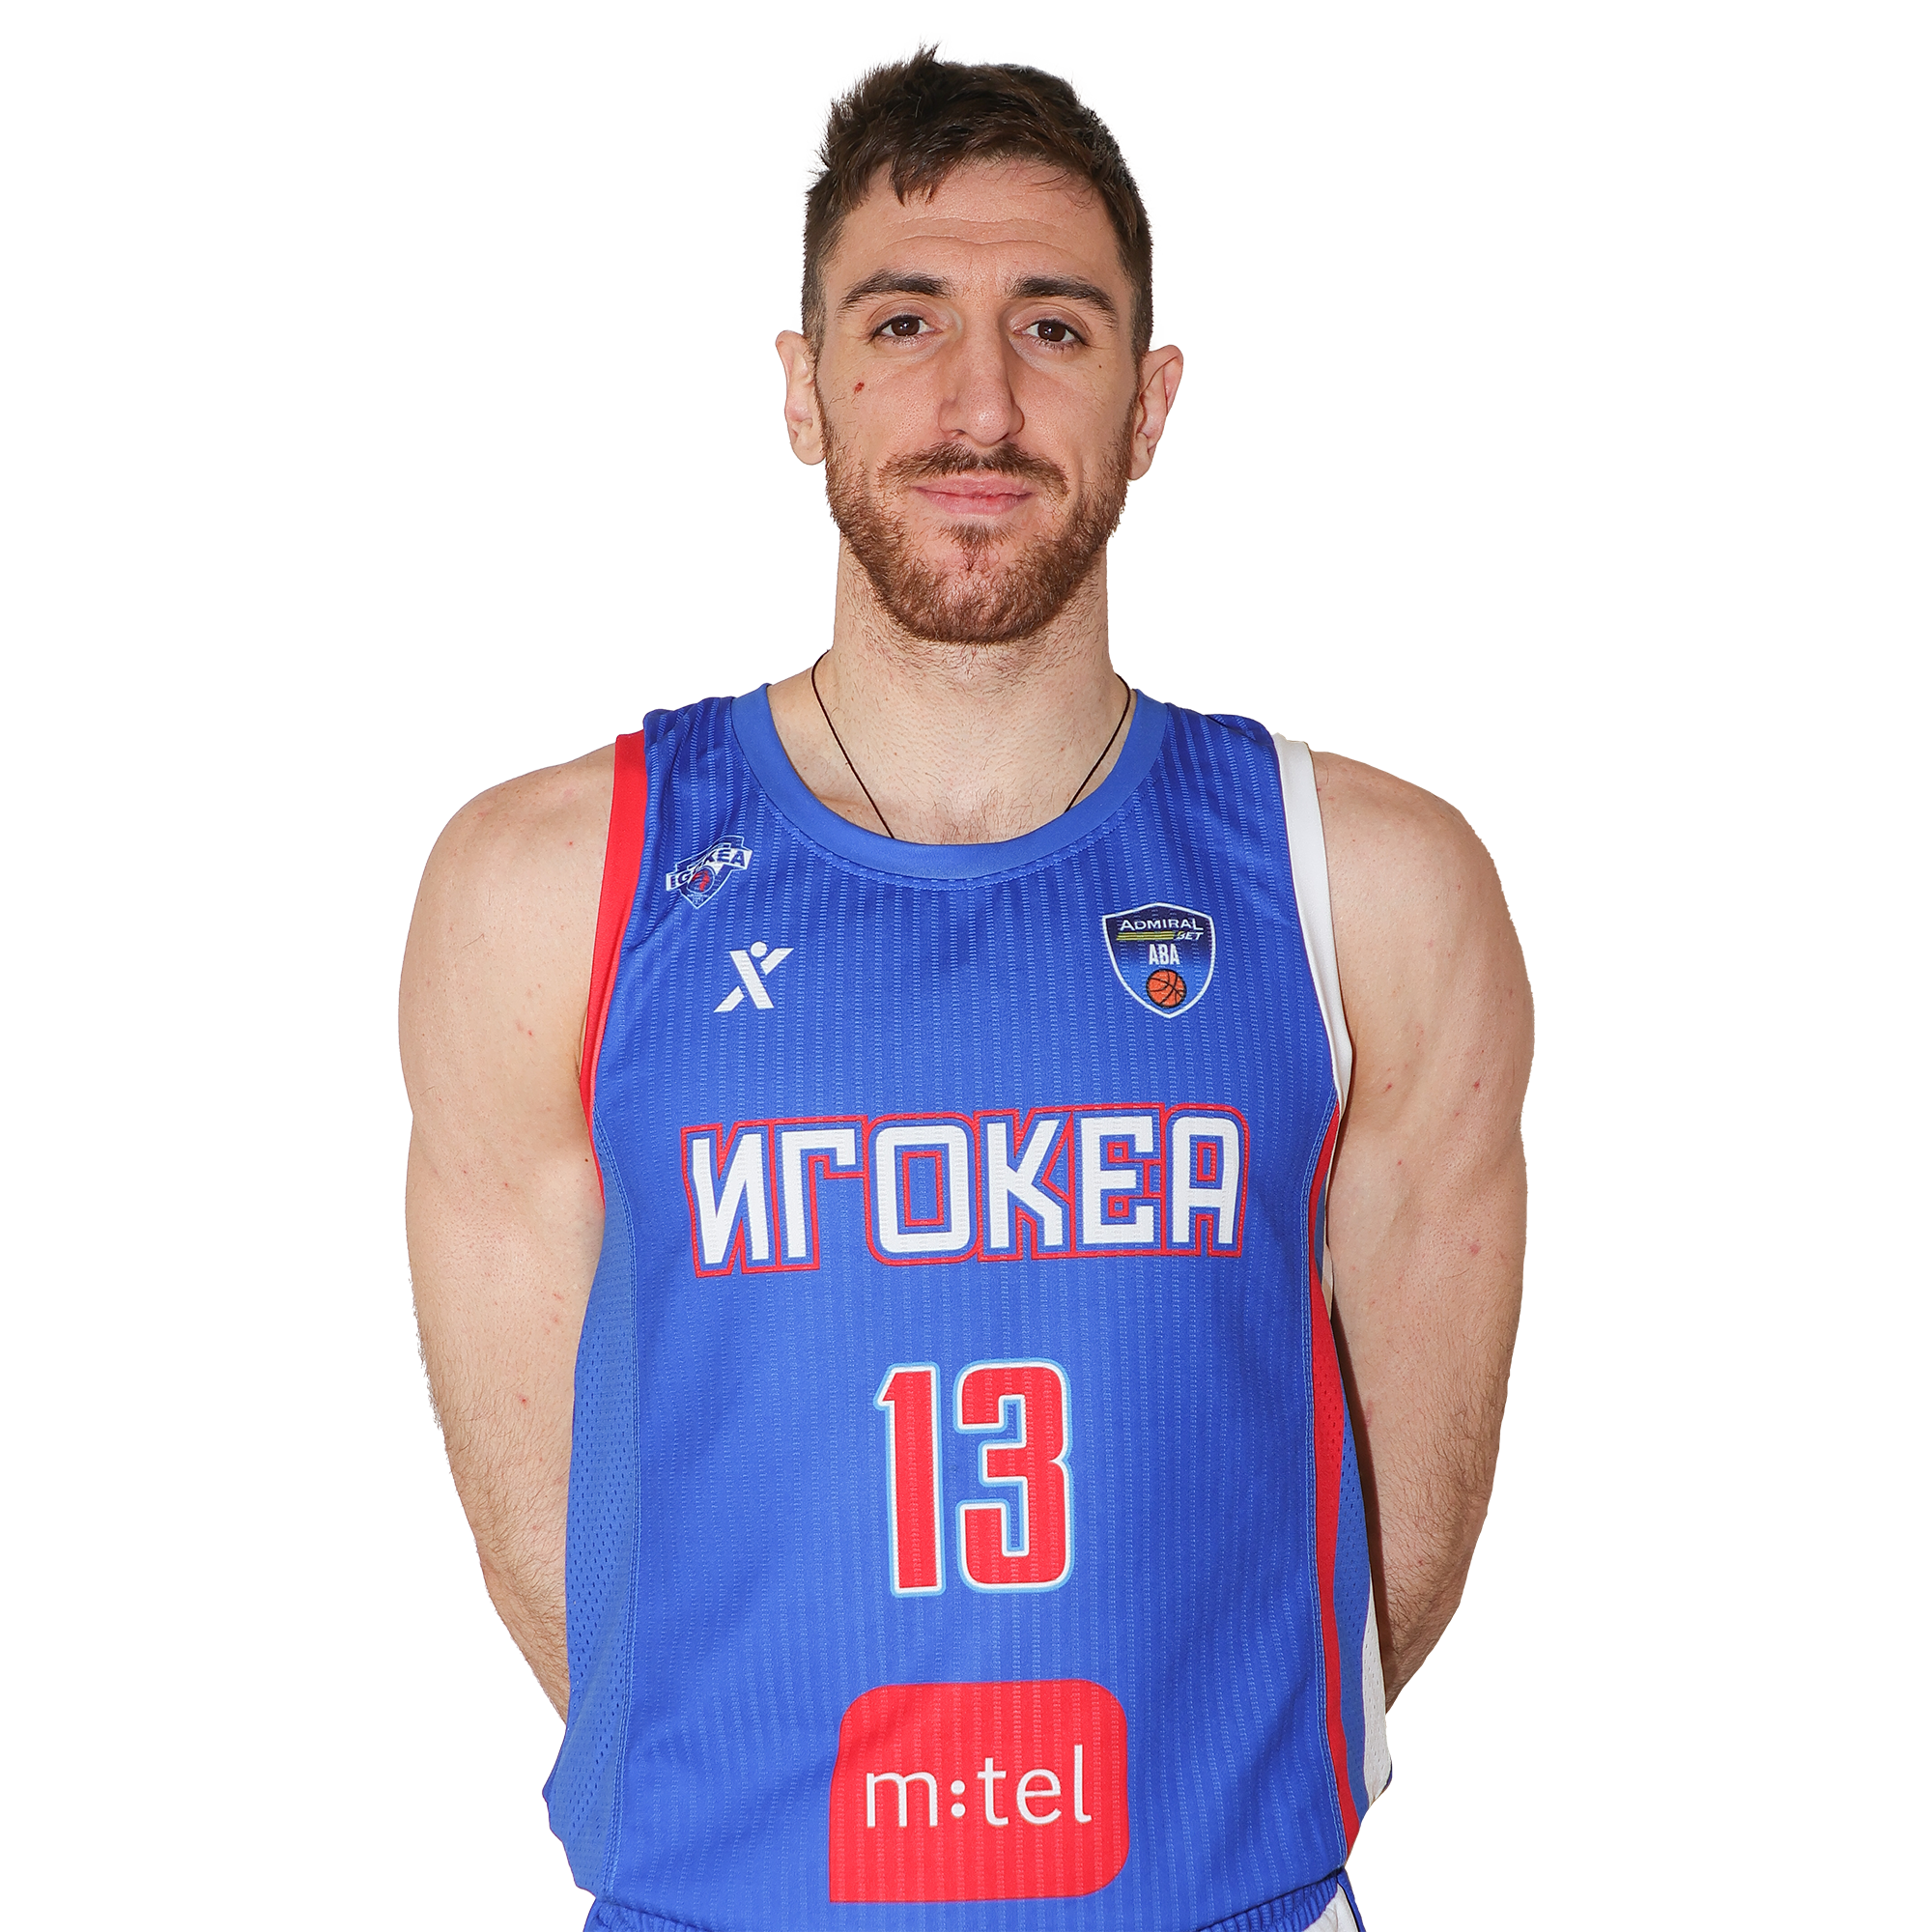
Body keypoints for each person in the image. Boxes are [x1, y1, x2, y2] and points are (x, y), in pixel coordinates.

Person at [400, 41, 1531, 1932]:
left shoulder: (1370, 889)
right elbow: (569, 1553)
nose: (979, 403)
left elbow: (1389, 1552)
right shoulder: (549, 888)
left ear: (1149, 402)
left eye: (1055, 330)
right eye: (905, 322)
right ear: (803, 386)